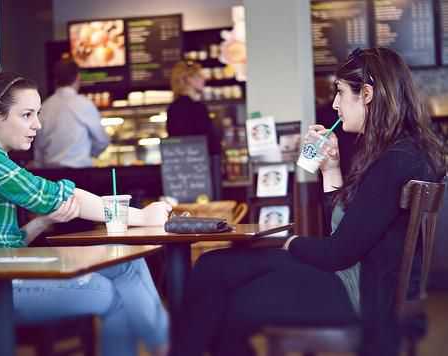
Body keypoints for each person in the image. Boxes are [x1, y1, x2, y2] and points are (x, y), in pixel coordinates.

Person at [169, 47, 445, 356]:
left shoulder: (395, 160)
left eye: (340, 93)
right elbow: (348, 230)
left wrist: (289, 242)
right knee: (212, 266)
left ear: (366, 94)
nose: (336, 104)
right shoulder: (400, 151)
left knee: (227, 301)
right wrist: (331, 169)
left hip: (359, 291)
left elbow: (336, 253)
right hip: (358, 277)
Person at [0, 65, 171, 356]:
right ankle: (168, 345)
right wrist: (142, 216)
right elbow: (58, 195)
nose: (37, 125)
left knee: (128, 264)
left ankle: (167, 344)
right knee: (114, 297)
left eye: (37, 113)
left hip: (1, 271)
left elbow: (4, 245)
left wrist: (41, 223)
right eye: (27, 115)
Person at [33, 58, 110, 168]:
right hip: (81, 174)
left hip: (51, 175)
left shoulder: (45, 107)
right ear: (78, 77)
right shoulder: (85, 104)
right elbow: (102, 141)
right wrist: (90, 152)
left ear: (55, 79)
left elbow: (39, 147)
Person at [166, 60, 221, 156]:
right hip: (202, 165)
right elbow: (210, 143)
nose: (204, 79)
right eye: (199, 76)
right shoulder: (197, 107)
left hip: (184, 165)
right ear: (188, 79)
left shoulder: (173, 108)